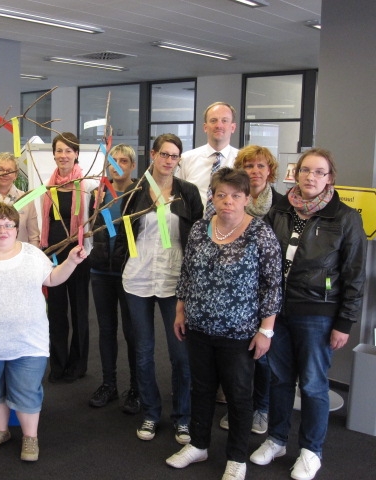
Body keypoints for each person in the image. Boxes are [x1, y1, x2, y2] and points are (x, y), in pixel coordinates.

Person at [250, 148, 367, 480]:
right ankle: (276, 439)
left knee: (314, 385)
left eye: (319, 172)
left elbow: (354, 275)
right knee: (279, 379)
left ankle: (311, 450)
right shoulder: (280, 210)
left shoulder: (344, 217)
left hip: (319, 313)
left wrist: (345, 322)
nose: (311, 177)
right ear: (295, 173)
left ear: (330, 178)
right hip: (278, 312)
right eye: (305, 170)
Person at [165, 167, 282, 480]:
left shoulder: (260, 232)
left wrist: (266, 331)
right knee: (201, 388)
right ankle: (199, 445)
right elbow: (188, 272)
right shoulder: (202, 227)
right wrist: (180, 310)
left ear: (246, 198)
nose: (227, 201)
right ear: (213, 197)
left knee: (238, 394)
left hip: (239, 332)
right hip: (199, 326)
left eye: (235, 195)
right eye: (221, 195)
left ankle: (236, 457)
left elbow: (272, 285)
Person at [0, 203, 88, 462]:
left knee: (26, 388)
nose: (2, 230)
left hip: (28, 341)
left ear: (17, 229)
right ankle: (0, 431)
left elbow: (52, 279)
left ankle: (30, 437)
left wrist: (71, 261)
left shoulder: (32, 255)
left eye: (8, 225)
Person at [115, 134, 203, 444]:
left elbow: (197, 237)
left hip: (173, 279)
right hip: (137, 277)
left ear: (179, 160)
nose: (168, 160)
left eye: (174, 155)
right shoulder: (134, 191)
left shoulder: (188, 192)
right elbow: (124, 234)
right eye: (164, 154)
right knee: (143, 351)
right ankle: (151, 413)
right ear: (153, 154)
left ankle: (182, 417)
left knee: (180, 354)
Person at [219, 145, 283, 434]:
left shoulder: (282, 207)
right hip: (236, 298)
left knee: (264, 356)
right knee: (241, 357)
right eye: (248, 166)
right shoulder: (233, 203)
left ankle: (261, 408)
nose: (255, 171)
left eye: (260, 166)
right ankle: (239, 406)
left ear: (270, 170)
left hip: (267, 295)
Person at [41, 132, 98, 383]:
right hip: (52, 254)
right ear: (53, 154)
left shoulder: (88, 185)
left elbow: (94, 224)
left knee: (79, 310)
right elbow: (46, 220)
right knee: (55, 311)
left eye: (68, 151)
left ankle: (78, 365)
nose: (63, 155)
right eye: (59, 150)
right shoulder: (48, 184)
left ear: (76, 154)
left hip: (78, 254)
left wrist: (85, 249)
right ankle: (58, 364)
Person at [87, 144, 139, 412]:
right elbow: (94, 228)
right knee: (106, 330)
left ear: (132, 165)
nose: (118, 165)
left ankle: (136, 388)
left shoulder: (139, 194)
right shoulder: (99, 194)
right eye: (113, 161)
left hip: (129, 272)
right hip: (100, 271)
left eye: (124, 160)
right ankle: (109, 384)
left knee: (133, 332)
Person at [177, 102, 239, 219]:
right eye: (213, 120)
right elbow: (177, 197)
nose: (218, 125)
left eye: (224, 121)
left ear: (233, 127)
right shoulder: (186, 159)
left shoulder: (242, 161)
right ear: (205, 127)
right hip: (192, 227)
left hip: (231, 229)